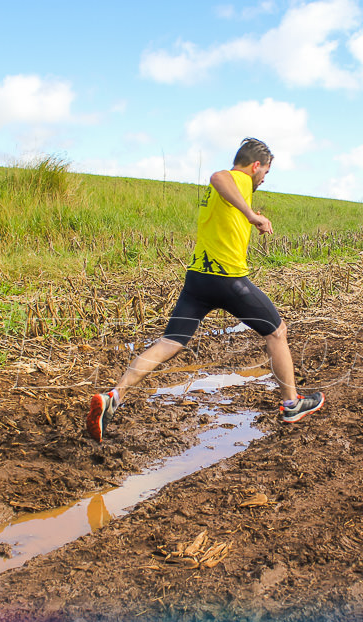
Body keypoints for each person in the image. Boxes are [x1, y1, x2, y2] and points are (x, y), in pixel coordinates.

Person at [86, 138, 325, 441]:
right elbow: (218, 176)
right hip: (227, 280)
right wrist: (253, 216)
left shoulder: (229, 190)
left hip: (197, 280)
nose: (264, 178)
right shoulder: (237, 179)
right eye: (265, 171)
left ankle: (114, 396)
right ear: (255, 166)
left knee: (171, 341)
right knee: (277, 331)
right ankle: (292, 404)